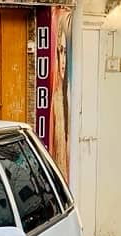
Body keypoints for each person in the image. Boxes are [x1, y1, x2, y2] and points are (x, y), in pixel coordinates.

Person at [49, 11, 71, 180]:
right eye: (60, 51)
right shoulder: (55, 97)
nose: (62, 60)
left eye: (65, 53)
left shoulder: (70, 94)